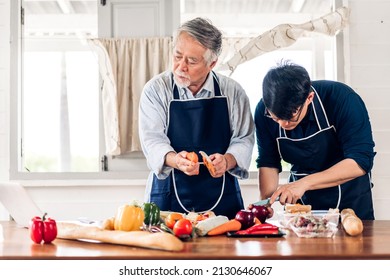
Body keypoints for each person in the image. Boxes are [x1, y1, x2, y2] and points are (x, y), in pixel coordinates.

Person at [139, 17, 255, 219]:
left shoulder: (233, 92)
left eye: (191, 61)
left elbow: (244, 138)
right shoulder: (156, 90)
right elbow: (153, 140)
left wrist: (227, 161)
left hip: (223, 198)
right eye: (177, 56)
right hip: (168, 194)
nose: (180, 67)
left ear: (212, 63)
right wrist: (176, 160)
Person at [254, 61, 376, 220]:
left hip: (351, 201)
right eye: (276, 118)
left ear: (309, 98)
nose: (283, 125)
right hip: (302, 205)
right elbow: (269, 162)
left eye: (291, 117)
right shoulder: (262, 111)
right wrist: (267, 201)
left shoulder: (342, 99)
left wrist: (304, 184)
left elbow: (360, 160)